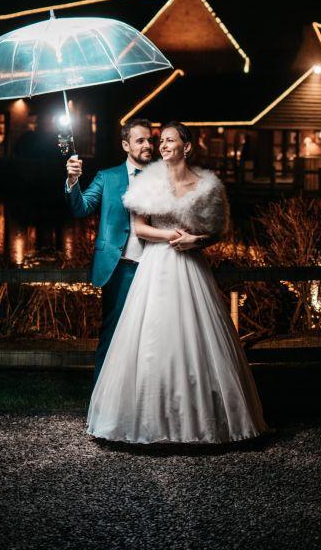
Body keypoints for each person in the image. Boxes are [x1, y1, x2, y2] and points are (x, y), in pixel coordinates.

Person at [86, 121, 267, 444]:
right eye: (162, 141)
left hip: (191, 267)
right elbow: (140, 228)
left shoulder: (206, 185)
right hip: (156, 264)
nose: (163, 145)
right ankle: (147, 419)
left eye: (170, 140)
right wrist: (170, 236)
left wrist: (195, 242)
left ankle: (200, 421)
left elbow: (217, 231)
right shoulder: (149, 182)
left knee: (194, 337)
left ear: (187, 147)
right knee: (152, 338)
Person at [65, 117, 155, 384]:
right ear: (126, 144)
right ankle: (101, 398)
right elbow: (81, 208)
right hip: (120, 268)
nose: (147, 145)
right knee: (112, 332)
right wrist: (72, 180)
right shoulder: (107, 177)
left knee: (151, 334)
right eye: (140, 140)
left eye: (150, 140)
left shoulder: (162, 176)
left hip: (154, 266)